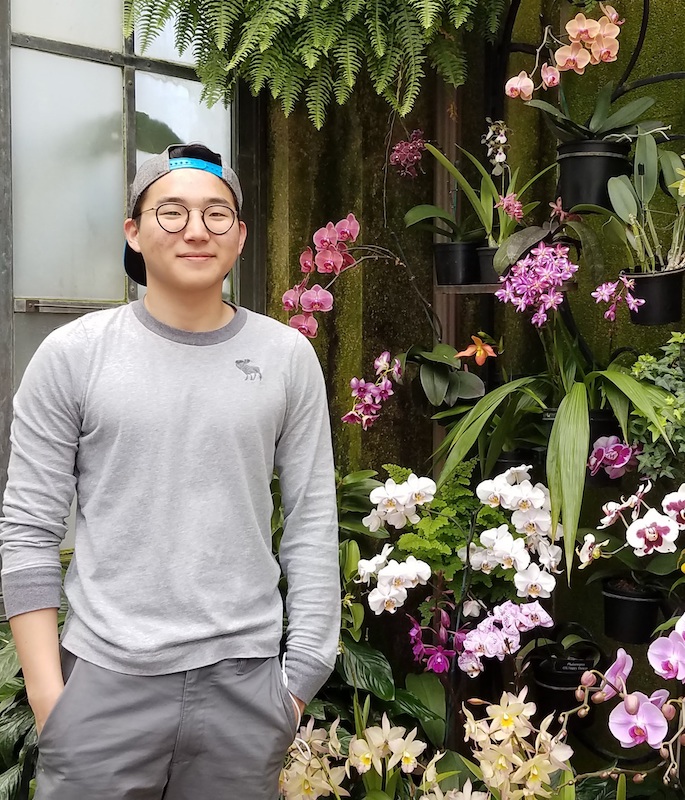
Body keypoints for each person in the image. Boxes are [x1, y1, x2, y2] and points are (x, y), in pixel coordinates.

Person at [0, 143, 340, 799]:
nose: (195, 229)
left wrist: (299, 680)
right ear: (133, 230)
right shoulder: (73, 356)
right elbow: (27, 530)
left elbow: (311, 521)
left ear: (240, 235)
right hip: (103, 681)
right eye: (172, 210)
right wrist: (52, 701)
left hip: (245, 688)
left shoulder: (286, 357)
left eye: (217, 214)